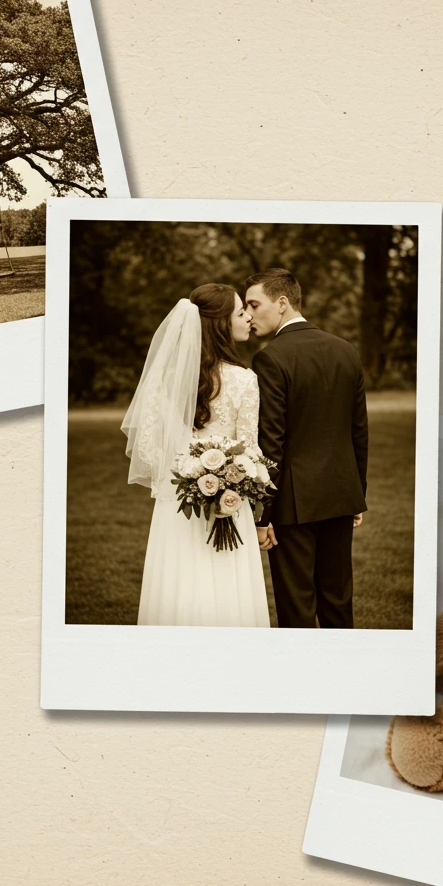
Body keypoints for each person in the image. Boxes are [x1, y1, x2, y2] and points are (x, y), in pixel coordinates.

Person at [122, 284, 271, 627]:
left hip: (177, 505)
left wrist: (189, 471)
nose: (248, 316)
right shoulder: (245, 381)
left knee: (179, 582)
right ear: (220, 324)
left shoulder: (165, 380)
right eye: (239, 312)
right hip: (232, 502)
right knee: (226, 587)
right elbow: (251, 451)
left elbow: (149, 447)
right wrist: (228, 479)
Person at [244, 268, 368, 628]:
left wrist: (262, 516)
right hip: (341, 496)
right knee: (337, 600)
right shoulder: (346, 351)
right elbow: (358, 431)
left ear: (282, 303)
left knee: (296, 605)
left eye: (255, 304)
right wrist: (357, 493)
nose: (249, 314)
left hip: (292, 505)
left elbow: (271, 442)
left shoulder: (270, 358)